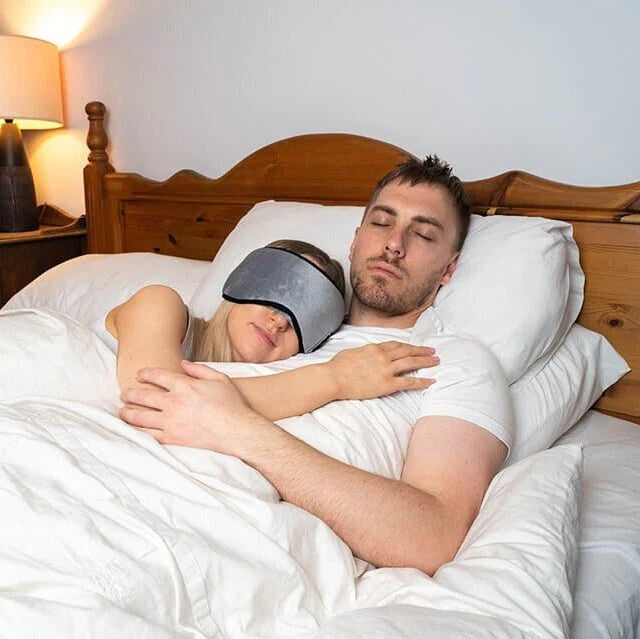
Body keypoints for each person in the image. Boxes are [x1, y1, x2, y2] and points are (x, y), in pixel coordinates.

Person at [118, 156, 513, 577]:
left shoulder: (453, 360)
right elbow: (157, 385)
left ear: (448, 268)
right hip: (136, 486)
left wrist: (236, 429)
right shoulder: (281, 342)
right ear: (355, 241)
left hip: (229, 541)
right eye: (382, 223)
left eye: (422, 234)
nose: (395, 243)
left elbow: (433, 536)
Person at [105, 238, 438, 422]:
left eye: (300, 321)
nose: (280, 321)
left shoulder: (280, 386)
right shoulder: (160, 304)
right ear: (244, 281)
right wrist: (334, 379)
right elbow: (155, 400)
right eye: (277, 293)